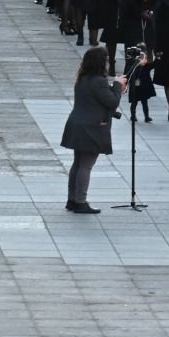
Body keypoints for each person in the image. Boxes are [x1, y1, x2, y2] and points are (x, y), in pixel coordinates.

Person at [60, 47, 124, 215]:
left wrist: (113, 86)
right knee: (86, 166)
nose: (108, 62)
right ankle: (80, 201)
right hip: (91, 127)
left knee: (78, 163)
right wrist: (117, 86)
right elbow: (112, 102)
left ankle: (72, 199)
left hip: (77, 124)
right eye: (107, 59)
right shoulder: (98, 81)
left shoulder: (83, 78)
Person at [127, 46, 157, 122]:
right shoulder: (134, 65)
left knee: (144, 103)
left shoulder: (146, 66)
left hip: (143, 86)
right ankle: (133, 116)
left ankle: (146, 116)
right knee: (134, 103)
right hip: (136, 86)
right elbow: (128, 74)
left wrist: (157, 57)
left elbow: (154, 64)